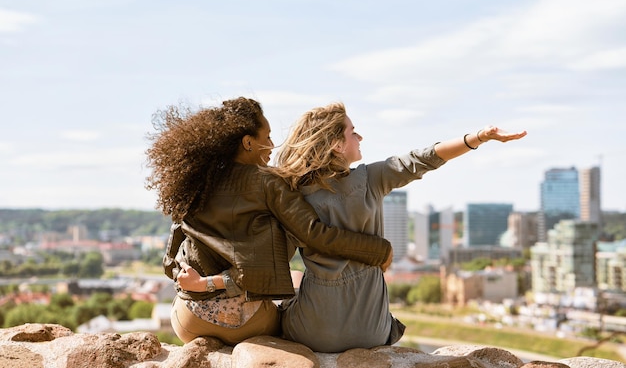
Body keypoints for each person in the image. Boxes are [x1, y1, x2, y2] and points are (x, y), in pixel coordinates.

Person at [268, 102, 527, 352]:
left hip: (313, 333)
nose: (360, 136)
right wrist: (478, 137)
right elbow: (424, 158)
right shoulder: (370, 179)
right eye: (352, 132)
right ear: (337, 145)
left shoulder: (294, 195)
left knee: (291, 290)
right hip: (372, 332)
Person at [144, 97, 393, 346]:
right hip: (245, 323)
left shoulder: (196, 183)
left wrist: (195, 283)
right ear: (248, 142)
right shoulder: (269, 182)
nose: (273, 145)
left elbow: (172, 257)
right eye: (267, 137)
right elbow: (315, 235)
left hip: (189, 321)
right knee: (290, 309)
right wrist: (379, 250)